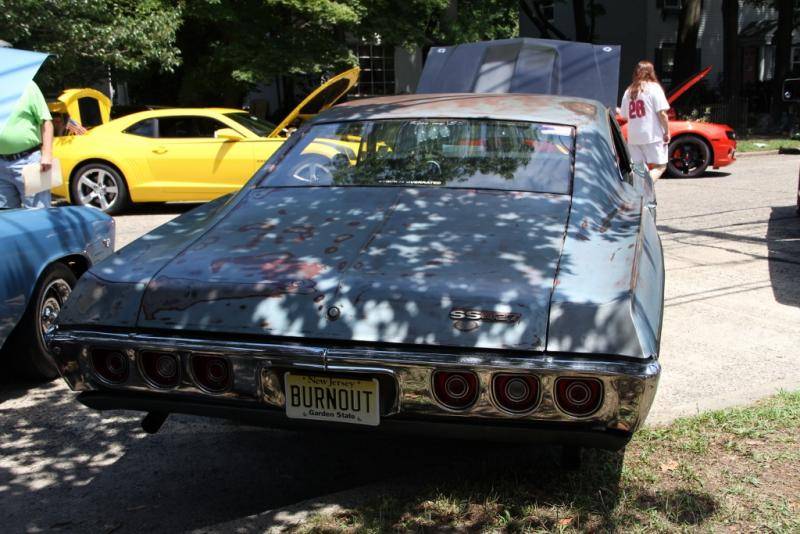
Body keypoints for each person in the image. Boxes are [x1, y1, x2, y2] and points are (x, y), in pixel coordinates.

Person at [0, 80, 54, 208]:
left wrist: (47, 154)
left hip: (30, 161)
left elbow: (46, 122)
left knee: (39, 212)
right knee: (5, 216)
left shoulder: (28, 86)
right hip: (1, 166)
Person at [620, 61, 671, 181]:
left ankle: (640, 188)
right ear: (651, 72)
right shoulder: (654, 88)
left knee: (638, 169)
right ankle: (646, 187)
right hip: (652, 135)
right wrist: (666, 132)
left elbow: (624, 115)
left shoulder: (629, 90)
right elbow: (662, 114)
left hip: (633, 136)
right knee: (660, 166)